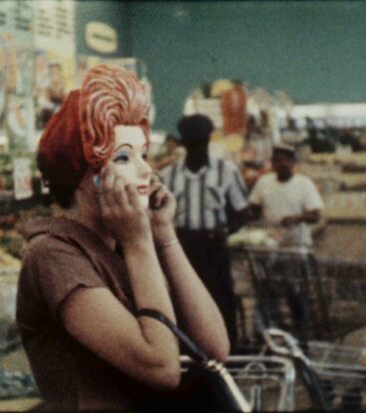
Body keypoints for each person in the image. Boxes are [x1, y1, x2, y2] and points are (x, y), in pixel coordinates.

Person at [15, 65, 229, 411]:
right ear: (84, 176)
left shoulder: (122, 242)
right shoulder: (53, 255)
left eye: (143, 155)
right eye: (124, 157)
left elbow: (215, 347)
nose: (147, 170)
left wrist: (163, 234)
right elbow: (161, 368)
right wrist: (140, 243)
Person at [158, 114, 249, 350]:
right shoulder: (169, 176)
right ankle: (190, 350)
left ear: (208, 141)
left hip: (214, 245)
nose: (199, 148)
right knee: (183, 299)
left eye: (203, 142)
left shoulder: (225, 171)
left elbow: (242, 211)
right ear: (184, 144)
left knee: (221, 298)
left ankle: (228, 351)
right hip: (182, 245)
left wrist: (226, 230)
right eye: (193, 143)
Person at [248, 143, 324, 248]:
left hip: (298, 243)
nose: (283, 163)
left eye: (287, 160)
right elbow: (254, 210)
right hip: (270, 242)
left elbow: (315, 216)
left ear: (293, 163)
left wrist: (296, 219)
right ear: (273, 163)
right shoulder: (263, 182)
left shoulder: (304, 183)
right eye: (278, 160)